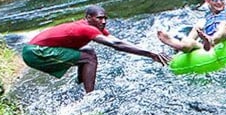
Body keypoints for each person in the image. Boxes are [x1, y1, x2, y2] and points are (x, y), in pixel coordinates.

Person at [21, 5, 170, 93]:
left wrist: (148, 50)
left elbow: (117, 40)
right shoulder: (86, 29)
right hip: (35, 52)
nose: (103, 21)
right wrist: (150, 54)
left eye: (105, 18)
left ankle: (80, 86)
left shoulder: (92, 27)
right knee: (89, 57)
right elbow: (116, 46)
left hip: (35, 49)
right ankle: (89, 96)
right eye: (99, 18)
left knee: (88, 53)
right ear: (88, 17)